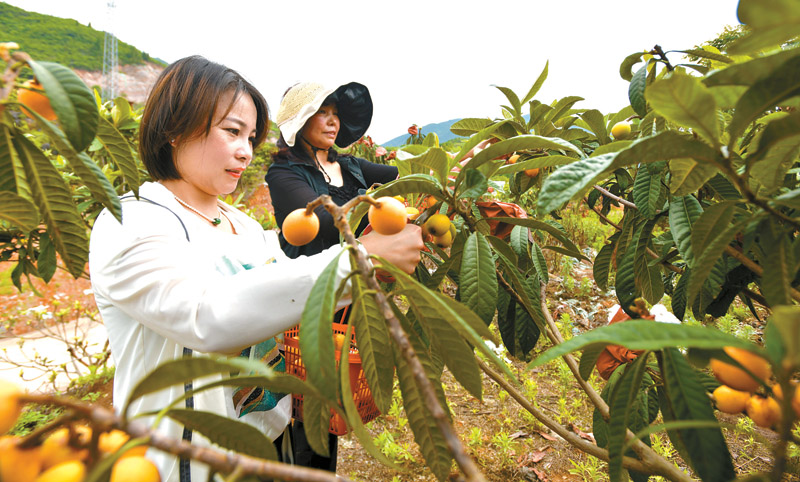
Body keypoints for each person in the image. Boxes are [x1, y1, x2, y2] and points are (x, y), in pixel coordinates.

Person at [89, 56, 423, 482]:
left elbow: (282, 296)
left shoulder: (241, 222)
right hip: (184, 462)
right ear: (175, 129)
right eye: (231, 131)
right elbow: (204, 317)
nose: (246, 150)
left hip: (268, 449)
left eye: (250, 136)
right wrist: (358, 262)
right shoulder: (133, 220)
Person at [265, 81, 399, 471]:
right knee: (307, 406)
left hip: (354, 300)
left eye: (336, 113)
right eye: (323, 112)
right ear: (301, 120)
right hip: (311, 299)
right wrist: (377, 216)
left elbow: (399, 175)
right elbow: (322, 225)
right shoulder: (284, 172)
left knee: (335, 403)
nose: (332, 121)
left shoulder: (351, 166)